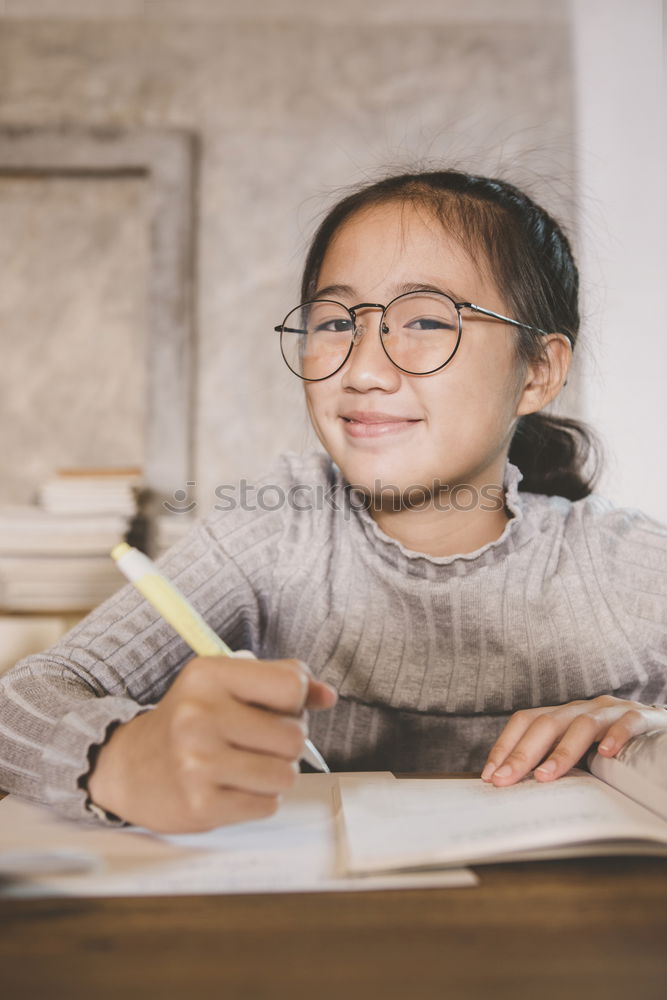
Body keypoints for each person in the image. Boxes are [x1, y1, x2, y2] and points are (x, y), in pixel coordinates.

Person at [1, 169, 666, 834]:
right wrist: (122, 758)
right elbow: (19, 705)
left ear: (538, 371)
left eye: (427, 320)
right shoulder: (275, 531)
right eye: (333, 322)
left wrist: (655, 733)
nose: (362, 370)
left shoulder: (621, 565)